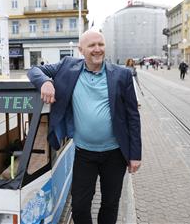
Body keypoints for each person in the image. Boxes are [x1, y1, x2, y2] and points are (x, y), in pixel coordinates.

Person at [27, 30, 142, 224]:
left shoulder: (121, 75)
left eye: (101, 44)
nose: (97, 49)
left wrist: (135, 154)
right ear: (81, 50)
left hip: (115, 154)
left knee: (110, 203)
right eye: (92, 46)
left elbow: (133, 117)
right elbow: (33, 70)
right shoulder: (67, 67)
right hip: (84, 153)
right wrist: (45, 82)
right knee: (79, 206)